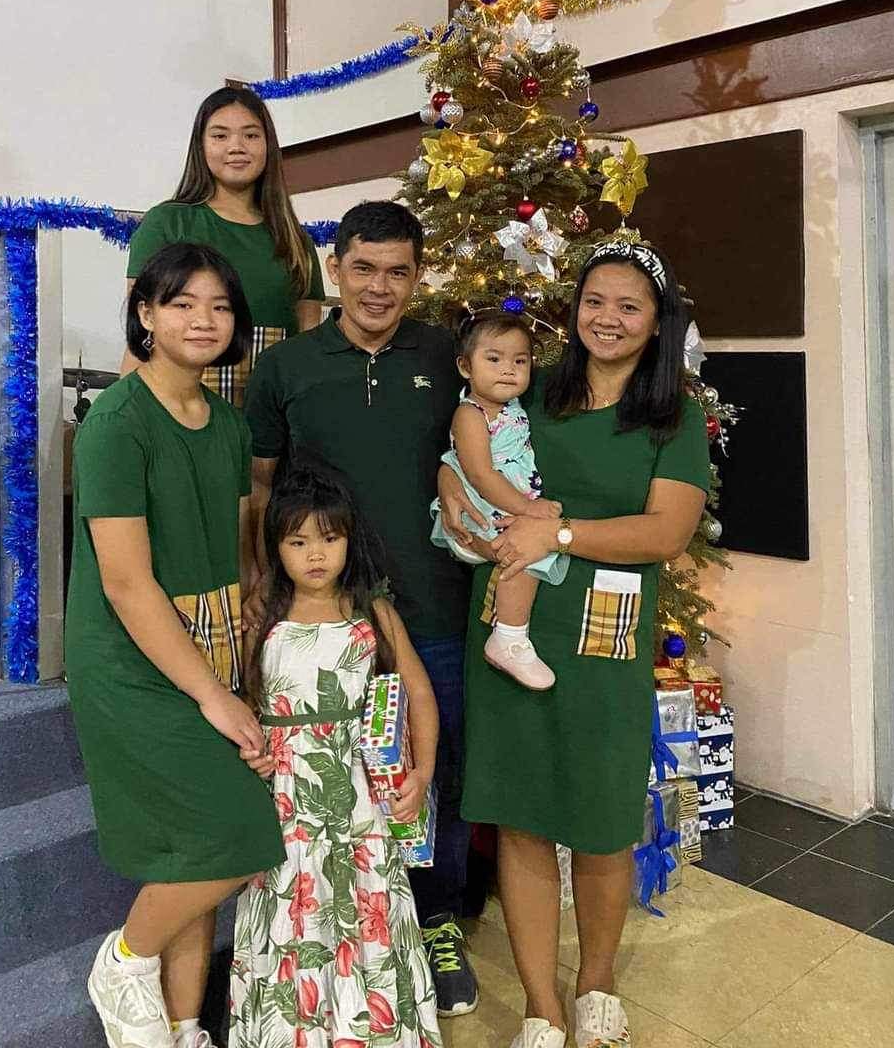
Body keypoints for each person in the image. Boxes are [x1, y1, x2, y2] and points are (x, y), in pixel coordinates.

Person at [438, 239, 709, 1048]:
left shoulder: (672, 416)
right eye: (596, 301)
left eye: (630, 306)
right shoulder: (534, 391)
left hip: (607, 633)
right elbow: (469, 446)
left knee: (600, 817)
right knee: (521, 817)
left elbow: (666, 531)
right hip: (511, 627)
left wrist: (557, 526)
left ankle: (595, 981)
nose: (609, 319)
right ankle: (540, 1004)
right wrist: (455, 486)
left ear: (657, 321)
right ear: (575, 308)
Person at [243, 201, 480, 1017]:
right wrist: (260, 585)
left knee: (433, 769)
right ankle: (327, 922)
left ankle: (435, 916)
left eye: (398, 271)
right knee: (333, 779)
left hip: (436, 605)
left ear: (417, 276)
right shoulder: (287, 369)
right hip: (325, 614)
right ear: (335, 267)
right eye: (364, 268)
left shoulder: (449, 355)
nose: (380, 287)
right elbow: (265, 489)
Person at [65, 242, 284, 1048]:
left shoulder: (227, 423)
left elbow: (230, 549)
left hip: (213, 639)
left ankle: (186, 1026)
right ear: (146, 316)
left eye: (219, 307)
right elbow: (126, 583)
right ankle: (124, 959)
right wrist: (211, 692)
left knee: (188, 853)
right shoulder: (116, 424)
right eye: (182, 303)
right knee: (237, 834)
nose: (203, 319)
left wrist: (240, 659)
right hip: (133, 658)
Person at [230, 460, 443, 1048]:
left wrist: (422, 774)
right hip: (287, 812)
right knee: (289, 920)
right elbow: (244, 705)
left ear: (350, 539)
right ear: (276, 546)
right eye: (297, 541)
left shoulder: (372, 614)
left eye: (329, 538)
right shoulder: (261, 620)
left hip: (363, 811)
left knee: (367, 921)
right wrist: (250, 752)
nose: (315, 555)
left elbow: (420, 695)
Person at [122, 83, 325, 404]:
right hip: (177, 405)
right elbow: (141, 332)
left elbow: (308, 345)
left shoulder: (295, 240)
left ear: (269, 146)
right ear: (200, 146)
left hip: (272, 412)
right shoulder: (166, 223)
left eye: (251, 135)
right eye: (220, 135)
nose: (236, 146)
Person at [430, 309, 567, 691]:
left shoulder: (510, 407)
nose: (508, 370)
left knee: (531, 548)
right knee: (522, 553)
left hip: (504, 502)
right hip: (479, 508)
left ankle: (511, 633)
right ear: (465, 366)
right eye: (494, 359)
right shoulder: (470, 414)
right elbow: (480, 474)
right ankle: (509, 635)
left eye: (519, 361)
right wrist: (528, 508)